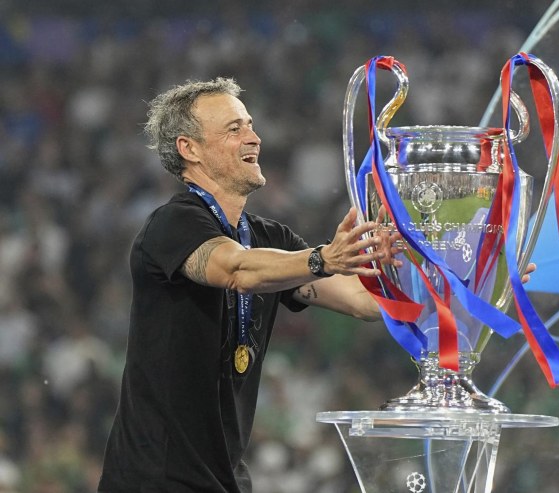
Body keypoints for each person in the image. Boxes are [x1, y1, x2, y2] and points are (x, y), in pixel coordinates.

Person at [98, 77, 535, 492]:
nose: (254, 138)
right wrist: (321, 259)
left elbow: (364, 302)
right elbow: (236, 269)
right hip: (152, 480)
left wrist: (474, 284)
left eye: (251, 125)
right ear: (189, 148)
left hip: (225, 479)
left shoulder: (269, 239)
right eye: (234, 129)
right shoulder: (172, 224)